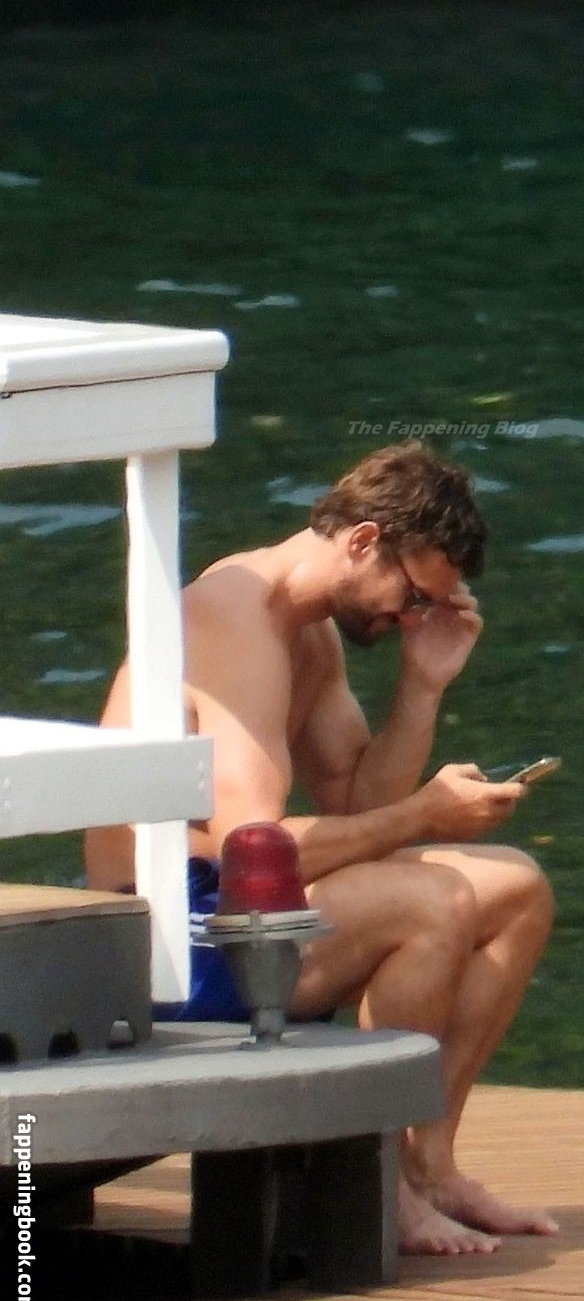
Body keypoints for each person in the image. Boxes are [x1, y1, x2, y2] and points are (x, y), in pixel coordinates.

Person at [84, 442, 558, 1257]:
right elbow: (255, 853)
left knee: (518, 888)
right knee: (431, 901)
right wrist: (424, 816)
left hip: (226, 909)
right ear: (365, 541)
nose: (412, 617)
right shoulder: (231, 620)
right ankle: (379, 1182)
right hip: (163, 941)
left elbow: (356, 808)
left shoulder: (310, 635)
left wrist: (423, 684)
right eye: (415, 598)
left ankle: (429, 1165)